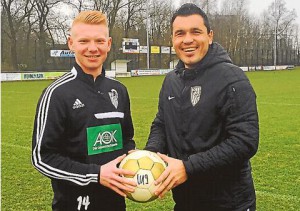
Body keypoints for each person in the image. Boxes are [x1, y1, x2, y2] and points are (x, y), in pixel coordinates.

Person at [145, 3, 259, 211]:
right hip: (186, 201)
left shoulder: (232, 79)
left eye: (195, 32)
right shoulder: (171, 80)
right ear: (173, 39)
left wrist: (188, 168)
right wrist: (150, 155)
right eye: (180, 33)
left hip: (229, 204)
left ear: (210, 35)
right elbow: (162, 123)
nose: (187, 40)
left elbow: (244, 141)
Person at [32, 11, 136, 211]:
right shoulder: (57, 93)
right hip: (74, 204)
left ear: (108, 43)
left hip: (115, 202)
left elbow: (127, 139)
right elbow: (42, 157)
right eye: (84, 41)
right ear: (71, 44)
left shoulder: (119, 90)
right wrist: (95, 174)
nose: (92, 48)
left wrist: (133, 158)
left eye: (99, 40)